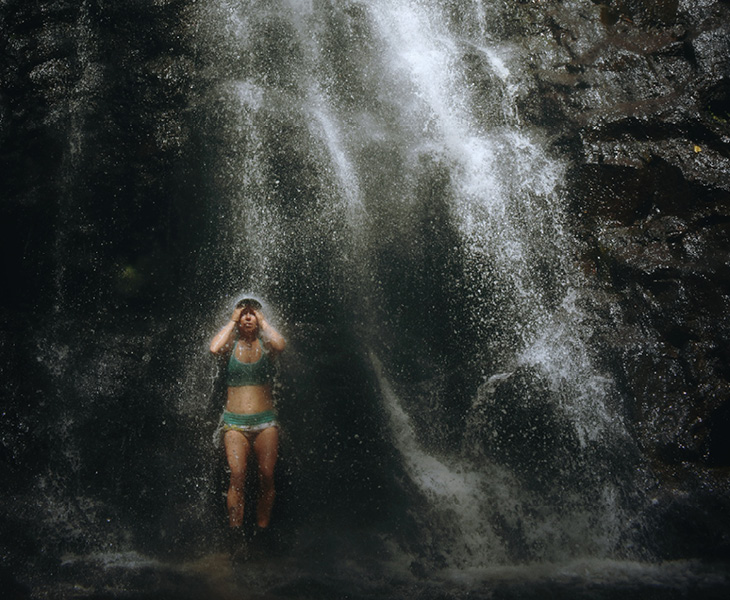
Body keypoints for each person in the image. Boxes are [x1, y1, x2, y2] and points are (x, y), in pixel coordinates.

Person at [209, 298, 286, 529]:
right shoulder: (230, 346)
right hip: (234, 424)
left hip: (265, 422)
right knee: (237, 475)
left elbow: (281, 344)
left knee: (266, 474)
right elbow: (213, 348)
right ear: (238, 318)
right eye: (245, 313)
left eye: (253, 313)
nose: (249, 317)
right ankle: (235, 533)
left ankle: (262, 529)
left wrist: (264, 322)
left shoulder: (267, 347)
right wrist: (232, 321)